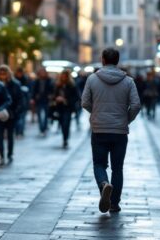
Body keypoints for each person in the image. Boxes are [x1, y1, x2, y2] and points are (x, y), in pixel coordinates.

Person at [81, 48, 141, 214]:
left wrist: (96, 113)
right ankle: (114, 203)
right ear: (117, 60)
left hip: (99, 129)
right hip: (119, 131)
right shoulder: (128, 81)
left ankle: (103, 185)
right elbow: (136, 105)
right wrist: (126, 119)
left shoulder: (92, 79)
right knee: (117, 168)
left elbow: (84, 102)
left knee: (99, 164)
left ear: (102, 60)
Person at [0, 64, 24, 164]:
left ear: (8, 73)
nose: (3, 75)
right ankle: (1, 155)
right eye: (1, 73)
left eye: (4, 73)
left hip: (11, 114)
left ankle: (9, 154)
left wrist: (16, 112)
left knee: (10, 135)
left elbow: (20, 100)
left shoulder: (15, 84)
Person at [53, 70, 80, 148]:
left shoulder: (72, 86)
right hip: (59, 107)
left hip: (68, 108)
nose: (63, 78)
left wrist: (66, 100)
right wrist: (57, 98)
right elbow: (54, 95)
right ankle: (64, 137)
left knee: (66, 123)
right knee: (62, 123)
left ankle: (65, 139)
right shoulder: (58, 85)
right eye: (62, 76)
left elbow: (77, 97)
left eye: (65, 76)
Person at [30, 68, 54, 136]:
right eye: (41, 72)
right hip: (39, 100)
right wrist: (33, 98)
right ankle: (41, 129)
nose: (42, 74)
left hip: (46, 100)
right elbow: (33, 90)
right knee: (39, 115)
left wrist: (50, 96)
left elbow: (52, 89)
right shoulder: (36, 81)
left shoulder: (49, 80)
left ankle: (44, 128)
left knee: (46, 115)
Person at [13, 67, 30, 137]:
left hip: (23, 101)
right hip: (16, 102)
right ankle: (17, 131)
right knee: (17, 118)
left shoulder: (25, 80)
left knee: (22, 117)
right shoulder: (14, 80)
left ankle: (20, 131)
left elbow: (28, 91)